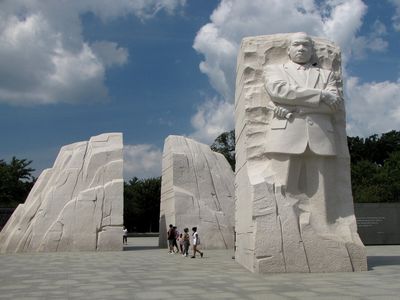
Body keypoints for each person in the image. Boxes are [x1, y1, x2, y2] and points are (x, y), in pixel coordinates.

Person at [263, 32, 343, 231]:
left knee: (322, 192)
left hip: (322, 137)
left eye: (306, 46)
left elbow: (334, 106)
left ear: (312, 50)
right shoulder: (274, 70)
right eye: (296, 45)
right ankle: (286, 230)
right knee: (282, 188)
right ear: (288, 49)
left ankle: (324, 229)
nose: (301, 49)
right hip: (286, 136)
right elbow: (279, 91)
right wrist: (321, 95)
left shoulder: (326, 75)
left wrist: (298, 107)